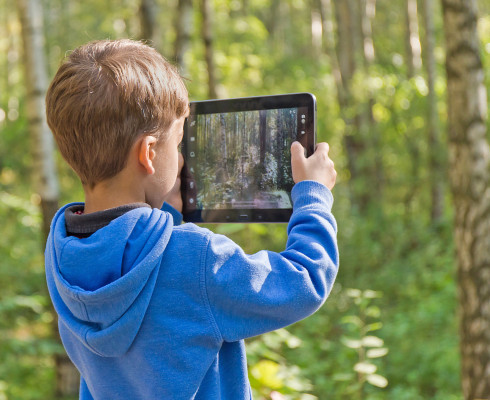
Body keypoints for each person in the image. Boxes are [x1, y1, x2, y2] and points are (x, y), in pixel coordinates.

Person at [44, 39, 339, 400]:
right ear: (149, 154)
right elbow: (303, 282)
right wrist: (313, 195)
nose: (182, 159)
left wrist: (165, 212)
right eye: (178, 143)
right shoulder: (195, 258)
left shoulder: (65, 253)